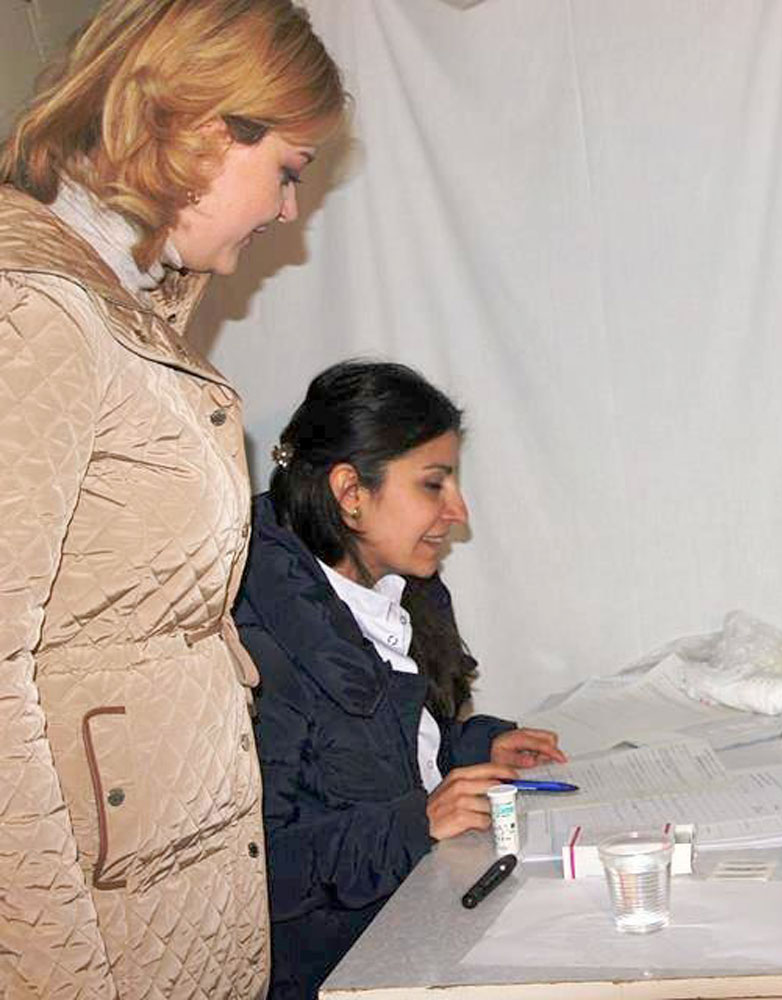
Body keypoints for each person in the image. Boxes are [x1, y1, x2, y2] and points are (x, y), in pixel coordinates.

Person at [0, 2, 344, 996]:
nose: (288, 209)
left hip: (169, 897)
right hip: (100, 938)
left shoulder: (111, 303)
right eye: (287, 169)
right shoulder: (33, 307)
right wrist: (56, 977)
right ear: (204, 127)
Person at [233, 361, 567, 999]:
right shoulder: (256, 642)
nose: (457, 512)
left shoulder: (398, 590)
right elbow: (256, 871)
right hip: (332, 976)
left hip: (418, 925)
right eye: (433, 484)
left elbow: (387, 754)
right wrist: (416, 824)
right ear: (350, 491)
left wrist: (479, 745)